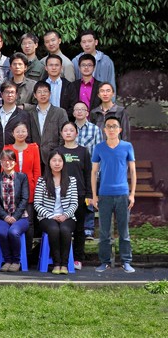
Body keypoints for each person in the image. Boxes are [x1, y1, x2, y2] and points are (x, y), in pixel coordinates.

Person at [92, 116, 136, 273]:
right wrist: (94, 195)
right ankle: (104, 262)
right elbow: (94, 172)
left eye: (114, 126)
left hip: (122, 194)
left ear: (120, 129)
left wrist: (132, 194)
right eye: (108, 126)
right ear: (104, 130)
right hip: (104, 194)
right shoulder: (99, 147)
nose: (111, 129)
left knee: (124, 232)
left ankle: (126, 261)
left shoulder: (127, 146)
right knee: (104, 232)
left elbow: (132, 171)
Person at [35, 151, 79, 274]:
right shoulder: (42, 181)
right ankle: (56, 263)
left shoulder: (71, 180)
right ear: (49, 163)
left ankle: (64, 264)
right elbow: (37, 204)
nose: (57, 163)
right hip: (47, 217)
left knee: (65, 229)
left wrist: (65, 215)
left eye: (60, 161)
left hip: (67, 217)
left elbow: (74, 203)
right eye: (54, 160)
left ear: (63, 163)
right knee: (54, 229)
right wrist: (51, 216)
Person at [57, 121, 92, 271]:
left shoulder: (83, 151)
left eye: (71, 130)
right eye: (65, 130)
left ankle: (78, 258)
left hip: (79, 194)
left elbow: (88, 174)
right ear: (61, 133)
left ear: (76, 133)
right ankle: (60, 258)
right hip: (60, 195)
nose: (68, 133)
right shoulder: (57, 151)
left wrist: (89, 194)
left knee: (79, 229)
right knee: (61, 227)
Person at [0, 149, 30, 272]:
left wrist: (15, 216)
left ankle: (16, 261)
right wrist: (5, 216)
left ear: (15, 162)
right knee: (2, 233)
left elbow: (25, 198)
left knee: (13, 232)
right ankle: (7, 260)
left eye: (10, 160)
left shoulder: (22, 177)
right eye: (4, 160)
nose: (7, 163)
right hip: (2, 217)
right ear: (0, 162)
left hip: (21, 217)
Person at [27, 79, 69, 162]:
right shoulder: (30, 113)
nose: (42, 94)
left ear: (50, 94)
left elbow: (63, 134)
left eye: (45, 91)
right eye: (39, 92)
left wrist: (58, 152)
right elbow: (28, 135)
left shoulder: (60, 112)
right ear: (35, 95)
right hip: (35, 155)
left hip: (54, 156)